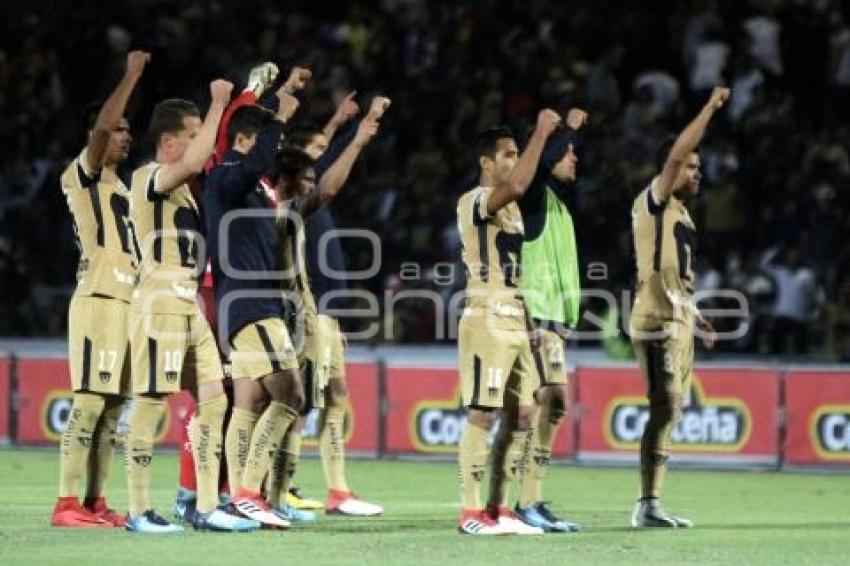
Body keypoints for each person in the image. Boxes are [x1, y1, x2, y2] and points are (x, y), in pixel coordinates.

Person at [124, 78, 257, 533]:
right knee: (150, 400)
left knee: (214, 399)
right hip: (159, 297)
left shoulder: (182, 189)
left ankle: (202, 505)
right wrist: (220, 102)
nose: (198, 139)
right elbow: (201, 157)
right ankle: (138, 511)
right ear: (168, 140)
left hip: (188, 302)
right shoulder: (148, 177)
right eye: (191, 131)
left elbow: (203, 158)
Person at [264, 97, 389, 519]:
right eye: (316, 155)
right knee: (299, 400)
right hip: (307, 309)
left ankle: (338, 490)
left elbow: (323, 154)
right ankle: (285, 485)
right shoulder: (294, 204)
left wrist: (337, 121)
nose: (323, 163)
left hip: (329, 311)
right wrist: (353, 135)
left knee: (335, 395)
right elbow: (326, 165)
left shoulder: (310, 200)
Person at [51, 50, 149, 529]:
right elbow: (104, 129)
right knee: (90, 401)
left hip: (127, 303)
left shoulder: (126, 189)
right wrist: (130, 74)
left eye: (132, 132)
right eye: (120, 130)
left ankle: (94, 502)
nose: (126, 137)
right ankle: (65, 503)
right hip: (97, 300)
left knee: (113, 410)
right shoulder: (83, 175)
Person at [455, 110, 561, 536]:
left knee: (524, 414)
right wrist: (541, 132)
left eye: (517, 154)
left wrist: (531, 321)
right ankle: (470, 513)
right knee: (483, 414)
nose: (514, 162)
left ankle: (500, 509)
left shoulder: (513, 211)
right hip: (486, 317)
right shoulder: (474, 200)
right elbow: (518, 183)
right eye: (508, 154)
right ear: (487, 162)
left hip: (515, 318)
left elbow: (515, 268)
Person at [629, 86, 727, 528]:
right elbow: (673, 157)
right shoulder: (655, 200)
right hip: (654, 321)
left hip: (679, 319)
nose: (695, 172)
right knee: (665, 404)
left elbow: (674, 271)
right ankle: (646, 503)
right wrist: (708, 108)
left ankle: (651, 502)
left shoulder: (683, 216)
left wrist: (693, 311)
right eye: (691, 165)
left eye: (699, 168)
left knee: (672, 410)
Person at [513, 108, 588, 533]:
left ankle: (529, 500)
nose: (575, 158)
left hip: (553, 319)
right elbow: (541, 164)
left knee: (550, 405)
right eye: (569, 153)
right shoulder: (534, 198)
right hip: (534, 319)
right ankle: (520, 501)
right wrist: (567, 130)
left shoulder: (559, 204)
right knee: (538, 405)